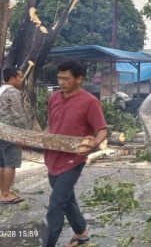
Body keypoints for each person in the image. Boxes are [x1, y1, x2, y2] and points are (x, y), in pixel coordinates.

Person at [43, 61, 108, 247]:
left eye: (66, 78)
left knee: (55, 205)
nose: (61, 82)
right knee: (66, 197)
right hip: (52, 157)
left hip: (73, 160)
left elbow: (102, 129)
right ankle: (80, 232)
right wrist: (37, 139)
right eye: (59, 78)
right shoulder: (54, 97)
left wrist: (95, 143)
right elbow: (51, 125)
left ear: (79, 79)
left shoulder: (90, 102)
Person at [0, 68, 30, 204]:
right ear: (12, 79)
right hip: (10, 133)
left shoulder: (1, 91)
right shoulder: (13, 92)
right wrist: (23, 135)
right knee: (11, 163)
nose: (22, 80)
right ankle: (6, 194)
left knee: (2, 163)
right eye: (20, 77)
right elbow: (18, 115)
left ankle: (3, 191)